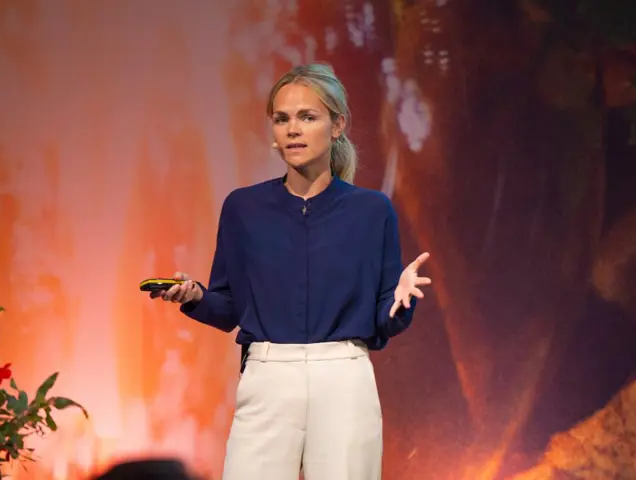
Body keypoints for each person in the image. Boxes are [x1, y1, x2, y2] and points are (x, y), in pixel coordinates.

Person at [149, 63, 431, 480]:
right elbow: (228, 308)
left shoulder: (371, 211)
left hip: (343, 379)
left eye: (307, 117)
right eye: (282, 119)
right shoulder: (243, 208)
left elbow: (380, 318)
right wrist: (193, 296)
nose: (293, 129)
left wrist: (399, 302)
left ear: (338, 126)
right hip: (268, 376)